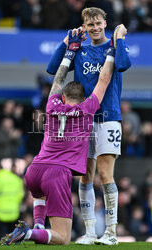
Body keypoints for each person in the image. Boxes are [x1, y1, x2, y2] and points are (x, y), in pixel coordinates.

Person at [0, 25, 120, 246]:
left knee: (39, 194)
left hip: (34, 170)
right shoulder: (88, 108)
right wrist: (111, 50)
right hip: (57, 173)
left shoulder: (52, 105)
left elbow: (57, 79)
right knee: (63, 238)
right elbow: (103, 80)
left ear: (63, 97)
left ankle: (37, 224)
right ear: (83, 98)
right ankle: (27, 233)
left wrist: (69, 52)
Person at [46, 7, 131, 245]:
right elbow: (53, 69)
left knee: (105, 175)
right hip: (83, 120)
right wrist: (65, 42)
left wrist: (120, 38)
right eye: (89, 25)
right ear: (84, 26)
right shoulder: (81, 50)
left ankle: (112, 233)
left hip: (109, 117)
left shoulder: (112, 46)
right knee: (84, 177)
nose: (94, 28)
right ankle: (91, 233)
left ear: (105, 23)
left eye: (98, 24)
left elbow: (123, 65)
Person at [0, 162, 24, 241]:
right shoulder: (16, 179)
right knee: (12, 238)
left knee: (0, 239)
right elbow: (21, 195)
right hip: (13, 213)